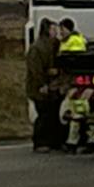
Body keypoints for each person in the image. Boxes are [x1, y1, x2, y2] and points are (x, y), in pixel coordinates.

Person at [58, 18, 94, 153]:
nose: (60, 32)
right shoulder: (70, 40)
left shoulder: (74, 41)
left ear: (68, 29)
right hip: (77, 82)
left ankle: (80, 141)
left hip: (78, 82)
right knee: (78, 113)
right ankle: (79, 141)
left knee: (79, 113)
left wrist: (75, 84)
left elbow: (75, 64)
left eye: (62, 29)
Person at [24, 18, 63, 152]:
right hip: (39, 86)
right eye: (53, 29)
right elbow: (35, 69)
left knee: (53, 113)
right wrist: (42, 84)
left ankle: (54, 141)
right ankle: (40, 142)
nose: (56, 32)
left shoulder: (55, 45)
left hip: (52, 85)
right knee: (43, 114)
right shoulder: (37, 47)